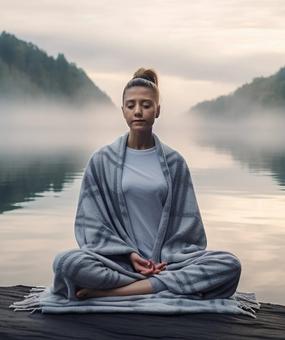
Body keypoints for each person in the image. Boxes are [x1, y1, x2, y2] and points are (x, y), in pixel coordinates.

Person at [52, 67, 241, 301]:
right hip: (119, 263)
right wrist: (129, 255)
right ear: (122, 111)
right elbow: (90, 225)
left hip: (169, 263)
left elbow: (189, 227)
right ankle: (153, 285)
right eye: (131, 105)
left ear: (157, 110)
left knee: (229, 264)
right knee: (67, 263)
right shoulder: (102, 161)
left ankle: (114, 292)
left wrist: (167, 259)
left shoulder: (175, 163)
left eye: (146, 105)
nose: (138, 111)